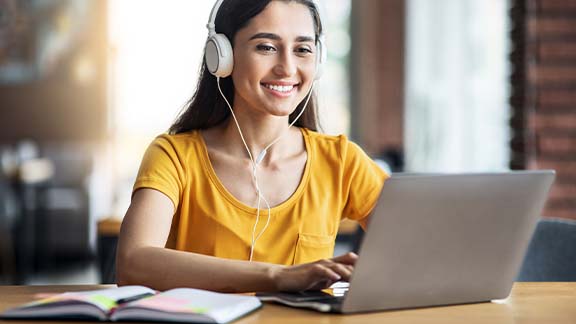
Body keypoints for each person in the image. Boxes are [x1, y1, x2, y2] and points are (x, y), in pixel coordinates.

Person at [116, 0, 388, 293]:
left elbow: (423, 251)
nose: (287, 68)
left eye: (303, 49)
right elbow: (133, 263)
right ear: (222, 56)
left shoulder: (342, 161)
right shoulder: (174, 157)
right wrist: (278, 276)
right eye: (266, 47)